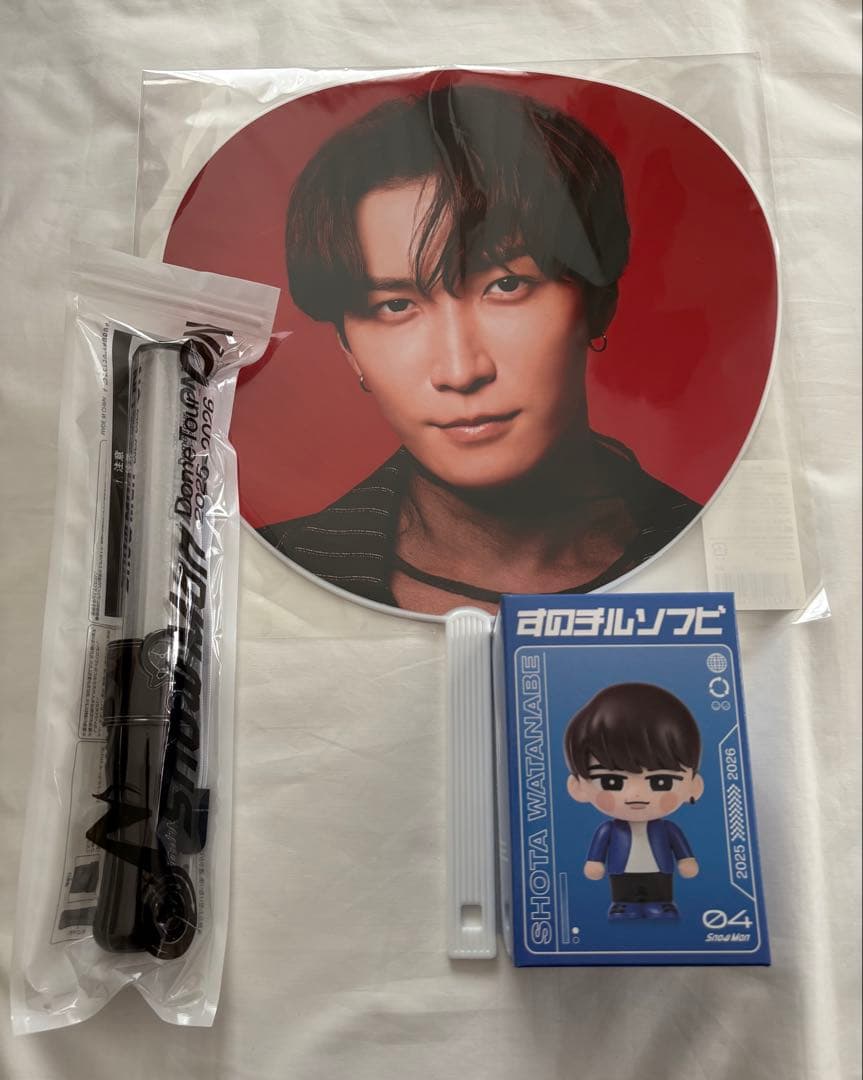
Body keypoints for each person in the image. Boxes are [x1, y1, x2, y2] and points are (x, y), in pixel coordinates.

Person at [259, 83, 700, 614]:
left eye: (506, 285)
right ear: (348, 347)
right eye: (395, 305)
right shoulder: (262, 577)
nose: (461, 369)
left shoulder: (716, 549)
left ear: (598, 300)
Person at [563, 682, 703, 921]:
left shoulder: (667, 829)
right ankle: (623, 905)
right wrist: (594, 862)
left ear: (694, 787)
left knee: (660, 890)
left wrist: (686, 860)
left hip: (660, 873)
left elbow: (679, 847)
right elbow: (599, 849)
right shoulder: (609, 830)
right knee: (624, 891)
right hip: (622, 873)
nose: (636, 794)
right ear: (578, 788)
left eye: (660, 782)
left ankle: (661, 904)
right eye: (612, 782)